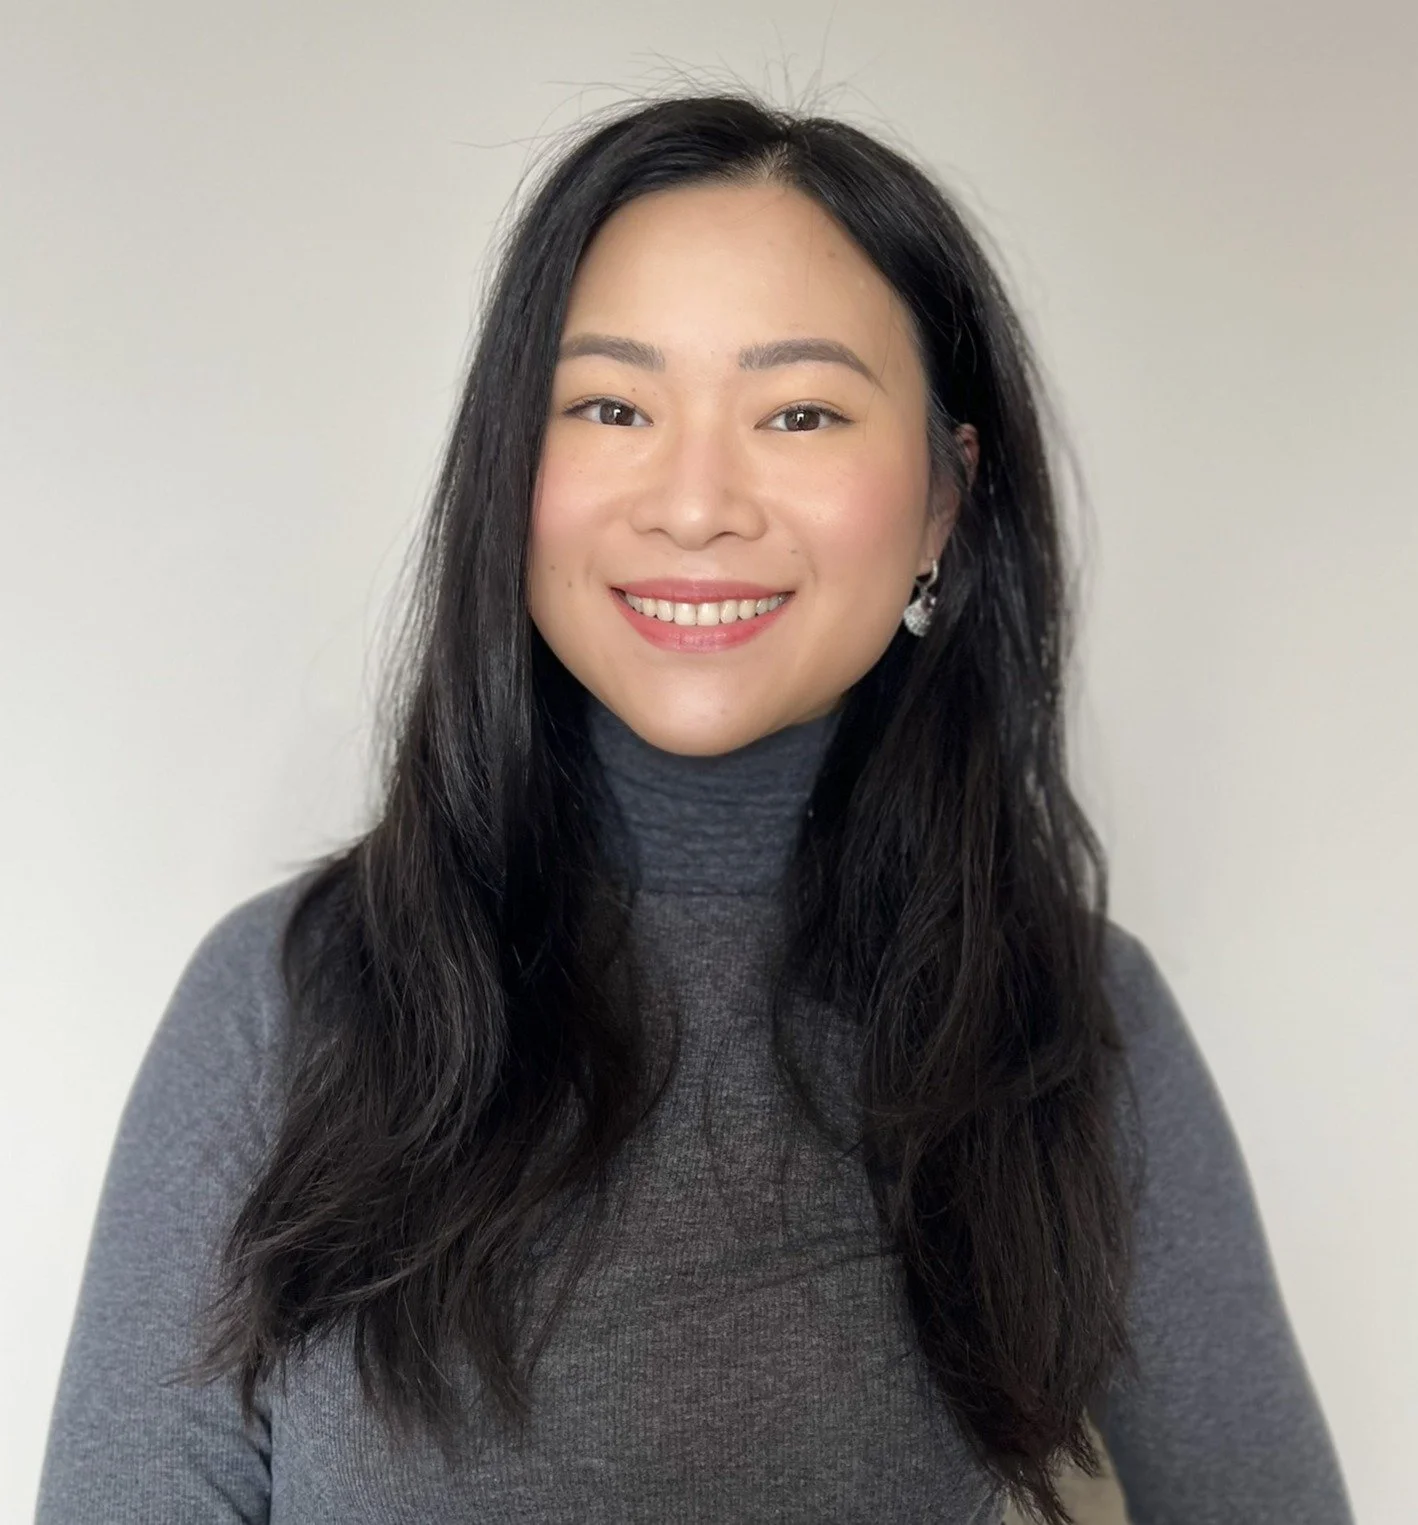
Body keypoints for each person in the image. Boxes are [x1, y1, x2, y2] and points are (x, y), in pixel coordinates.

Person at [36, 93, 1353, 1525]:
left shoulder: (1065, 1017)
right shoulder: (288, 997)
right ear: (508, 472)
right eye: (609, 405)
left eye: (799, 411)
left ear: (941, 501)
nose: (693, 501)